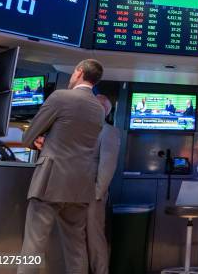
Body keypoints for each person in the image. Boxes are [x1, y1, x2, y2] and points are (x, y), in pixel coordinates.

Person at [18, 59, 105, 274]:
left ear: (78, 72)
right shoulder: (99, 108)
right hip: (81, 186)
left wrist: (37, 141)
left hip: (50, 182)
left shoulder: (60, 97)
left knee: (34, 245)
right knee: (76, 248)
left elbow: (29, 136)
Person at [87, 95, 121, 274]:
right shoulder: (77, 128)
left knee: (94, 238)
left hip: (93, 194)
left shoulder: (109, 131)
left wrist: (98, 193)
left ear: (104, 110)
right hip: (69, 191)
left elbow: (107, 166)